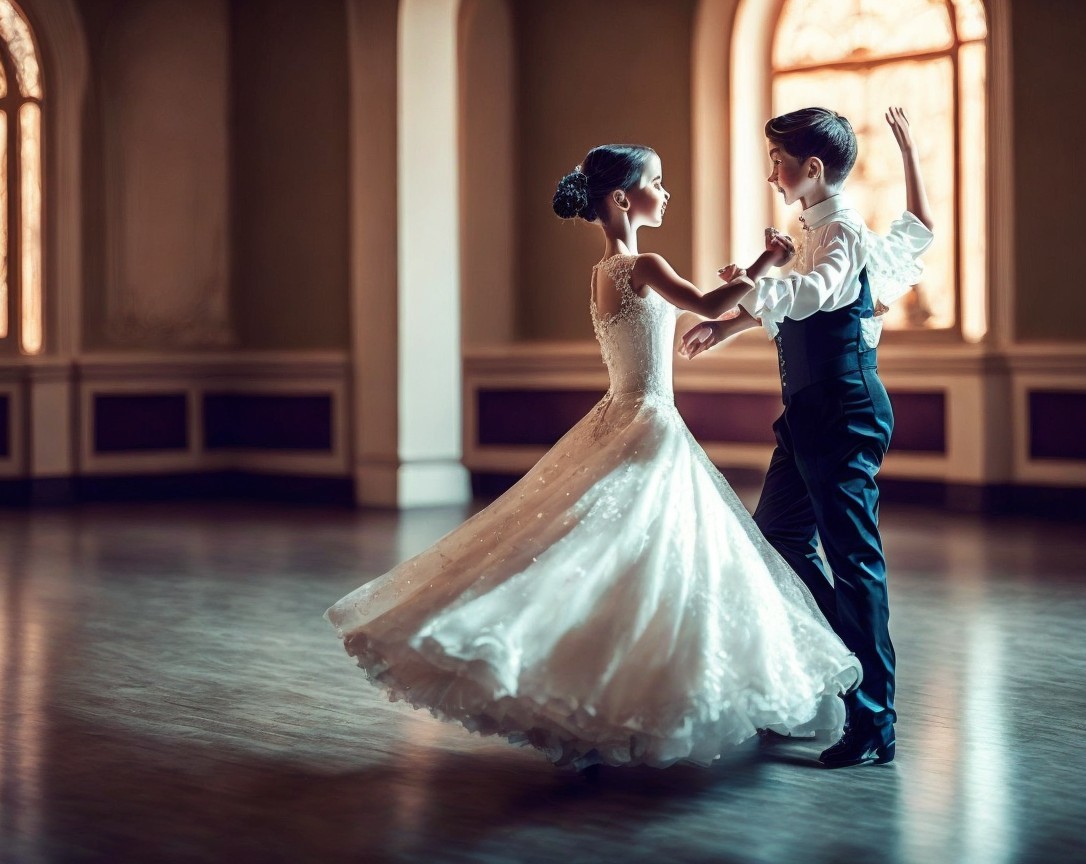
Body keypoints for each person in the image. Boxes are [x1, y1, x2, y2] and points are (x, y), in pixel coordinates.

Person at [325, 143, 860, 771]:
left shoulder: (606, 271)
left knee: (620, 557)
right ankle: (630, 697)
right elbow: (712, 307)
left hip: (620, 415)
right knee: (644, 558)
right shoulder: (645, 264)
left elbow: (702, 307)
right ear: (621, 198)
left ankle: (605, 699)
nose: (667, 192)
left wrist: (759, 267)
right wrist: (771, 260)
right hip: (648, 421)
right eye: (658, 183)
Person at [680, 107, 934, 767]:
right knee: (780, 539)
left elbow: (816, 295)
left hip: (843, 412)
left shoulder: (843, 232)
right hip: (809, 415)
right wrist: (727, 325)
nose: (771, 173)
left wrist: (754, 283)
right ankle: (837, 657)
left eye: (777, 161)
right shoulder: (818, 231)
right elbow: (915, 233)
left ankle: (874, 720)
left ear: (811, 169)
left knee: (854, 565)